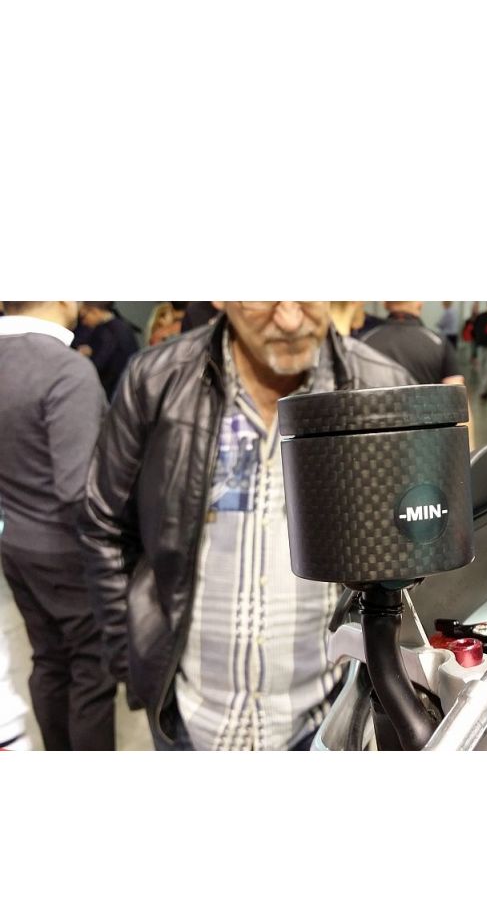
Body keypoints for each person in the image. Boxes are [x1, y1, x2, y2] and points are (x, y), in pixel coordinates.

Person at [80, 301, 417, 751]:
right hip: (192, 717)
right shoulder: (158, 381)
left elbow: (415, 550)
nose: (290, 318)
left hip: (328, 720)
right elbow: (105, 523)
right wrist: (134, 655)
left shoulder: (382, 385)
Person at [0, 301, 117, 749]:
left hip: (16, 541)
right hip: (67, 550)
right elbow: (78, 490)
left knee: (49, 660)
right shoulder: (65, 370)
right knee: (92, 670)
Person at [361, 301, 465, 387]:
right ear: (420, 303)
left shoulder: (364, 341)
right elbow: (457, 396)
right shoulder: (439, 343)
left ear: (385, 304)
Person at [78, 301, 140, 400]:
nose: (83, 322)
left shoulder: (107, 332)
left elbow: (97, 366)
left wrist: (80, 357)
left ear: (94, 311)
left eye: (84, 316)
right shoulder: (123, 328)